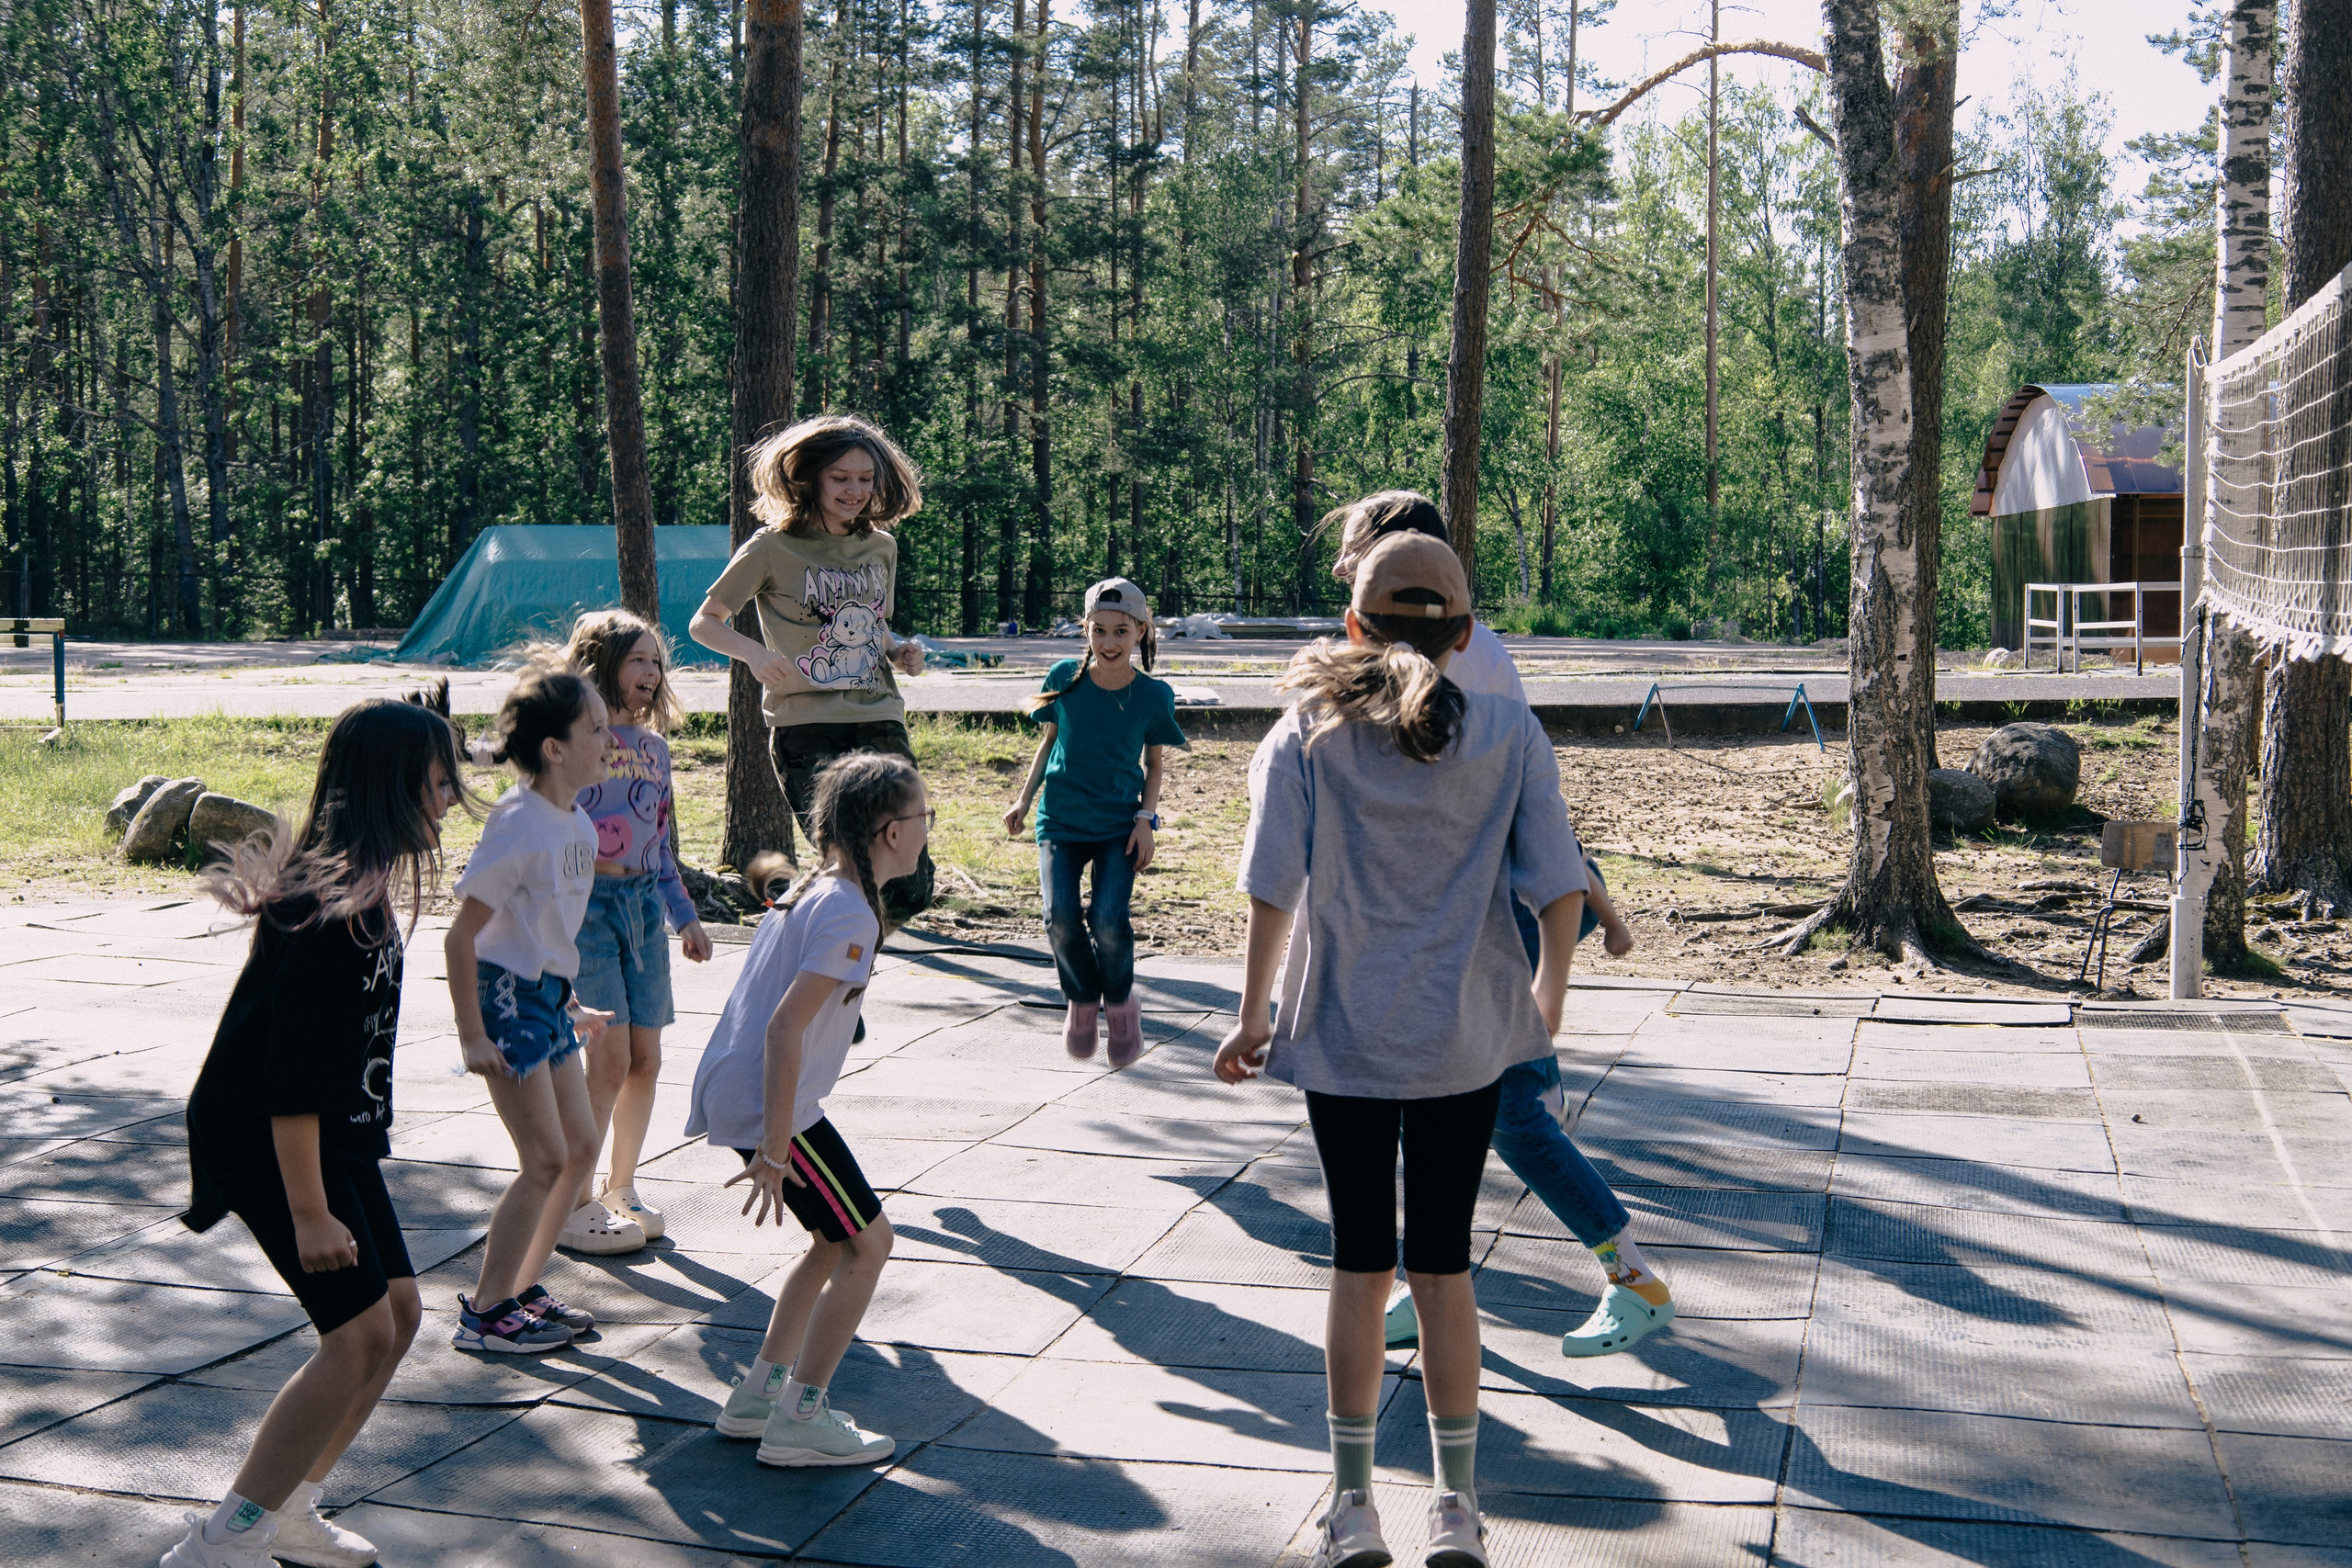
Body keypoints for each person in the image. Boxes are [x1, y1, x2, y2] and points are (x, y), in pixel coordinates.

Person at [1214, 533, 1589, 1568]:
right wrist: (1547, 997)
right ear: (1466, 633)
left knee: (1358, 1263)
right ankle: (1456, 1508)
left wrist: (1253, 1014)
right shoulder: (1510, 730)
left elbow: (1271, 885)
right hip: (1463, 1037)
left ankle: (1352, 1507)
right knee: (1442, 1265)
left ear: (1353, 624)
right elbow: (1559, 880)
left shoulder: (1304, 731)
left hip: (1342, 1034)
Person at [1323, 491, 1677, 1362]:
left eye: (1354, 551)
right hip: (1472, 912)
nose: (1341, 565)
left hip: (1488, 911)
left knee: (1505, 1112)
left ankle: (1634, 1276)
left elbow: (1504, 803)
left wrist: (1579, 915)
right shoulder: (1438, 640)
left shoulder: (1452, 658)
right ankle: (1423, 1279)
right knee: (1443, 1100)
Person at [165, 700, 468, 1568]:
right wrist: (308, 1211)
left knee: (398, 1315)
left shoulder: (362, 883)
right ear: (389, 787)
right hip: (268, 1138)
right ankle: (223, 1542)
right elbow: (289, 1076)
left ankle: (291, 1507)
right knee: (356, 1336)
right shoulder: (328, 907)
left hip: (332, 1136)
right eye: (437, 779)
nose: (449, 796)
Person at [683, 753, 930, 1468]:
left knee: (831, 1240)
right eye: (924, 817)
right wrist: (776, 1144)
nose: (927, 830)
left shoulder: (819, 891)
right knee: (870, 1245)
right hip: (773, 1103)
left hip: (754, 1093)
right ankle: (801, 1416)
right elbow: (784, 1028)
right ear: (891, 832)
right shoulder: (847, 911)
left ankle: (759, 1396)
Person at [688, 413, 933, 923]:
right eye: (840, 477)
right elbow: (704, 623)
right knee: (853, 867)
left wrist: (899, 651)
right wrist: (755, 655)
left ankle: (831, 943)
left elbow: (871, 624)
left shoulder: (881, 546)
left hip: (879, 718)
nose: (855, 491)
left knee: (911, 883)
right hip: (806, 726)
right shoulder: (771, 547)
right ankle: (819, 953)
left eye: (865, 479)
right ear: (808, 478)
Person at [445, 667, 617, 1354]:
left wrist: (566, 999)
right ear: (554, 748)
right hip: (505, 997)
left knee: (580, 1147)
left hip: (544, 995)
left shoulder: (576, 822)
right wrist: (472, 1034)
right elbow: (461, 937)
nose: (609, 740)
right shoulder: (519, 823)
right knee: (544, 1157)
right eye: (596, 729)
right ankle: (486, 1313)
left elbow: (541, 924)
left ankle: (519, 1287)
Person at [556, 609, 714, 1250]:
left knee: (646, 1060)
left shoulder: (654, 749)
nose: (651, 672)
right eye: (637, 660)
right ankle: (574, 1201)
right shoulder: (571, 743)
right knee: (610, 1057)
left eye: (656, 661)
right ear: (601, 665)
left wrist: (685, 916)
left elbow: (660, 845)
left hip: (645, 908)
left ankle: (621, 1188)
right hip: (587, 910)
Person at [1001, 578, 1188, 1066]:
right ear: (1085, 628)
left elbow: (1155, 765)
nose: (1109, 642)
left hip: (1119, 825)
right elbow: (1048, 744)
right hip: (1061, 821)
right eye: (1098, 630)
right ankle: (1083, 1001)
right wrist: (1023, 800)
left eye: (1121, 631)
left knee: (1107, 917)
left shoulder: (1153, 696)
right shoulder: (1064, 677)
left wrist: (1146, 820)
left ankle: (1121, 1005)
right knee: (1059, 915)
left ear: (1141, 631)